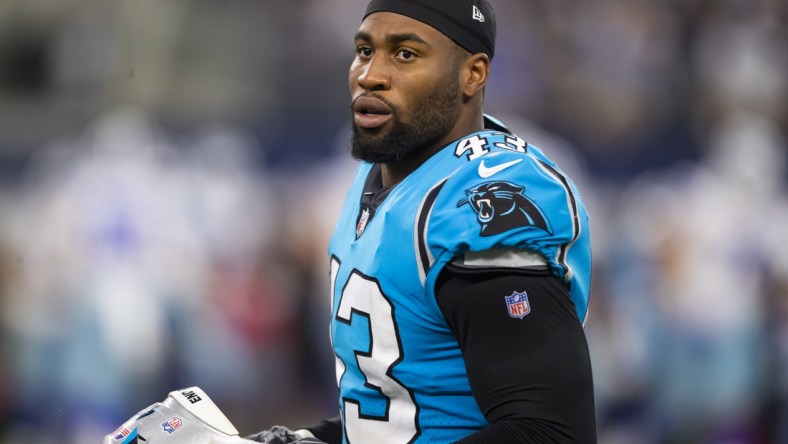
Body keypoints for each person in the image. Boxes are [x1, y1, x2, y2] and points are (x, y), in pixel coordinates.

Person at [248, 0, 596, 442]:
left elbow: (550, 433)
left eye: (405, 54)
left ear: (473, 73)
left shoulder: (479, 203)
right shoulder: (381, 174)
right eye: (364, 50)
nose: (369, 74)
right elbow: (400, 410)